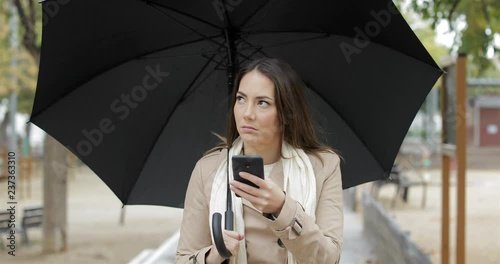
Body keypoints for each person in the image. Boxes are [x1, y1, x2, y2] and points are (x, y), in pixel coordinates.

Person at [176, 58, 343, 264]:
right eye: (241, 99)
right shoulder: (208, 169)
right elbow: (184, 259)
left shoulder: (323, 167)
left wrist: (282, 208)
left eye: (262, 103)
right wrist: (216, 254)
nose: (247, 114)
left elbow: (329, 259)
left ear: (286, 114)